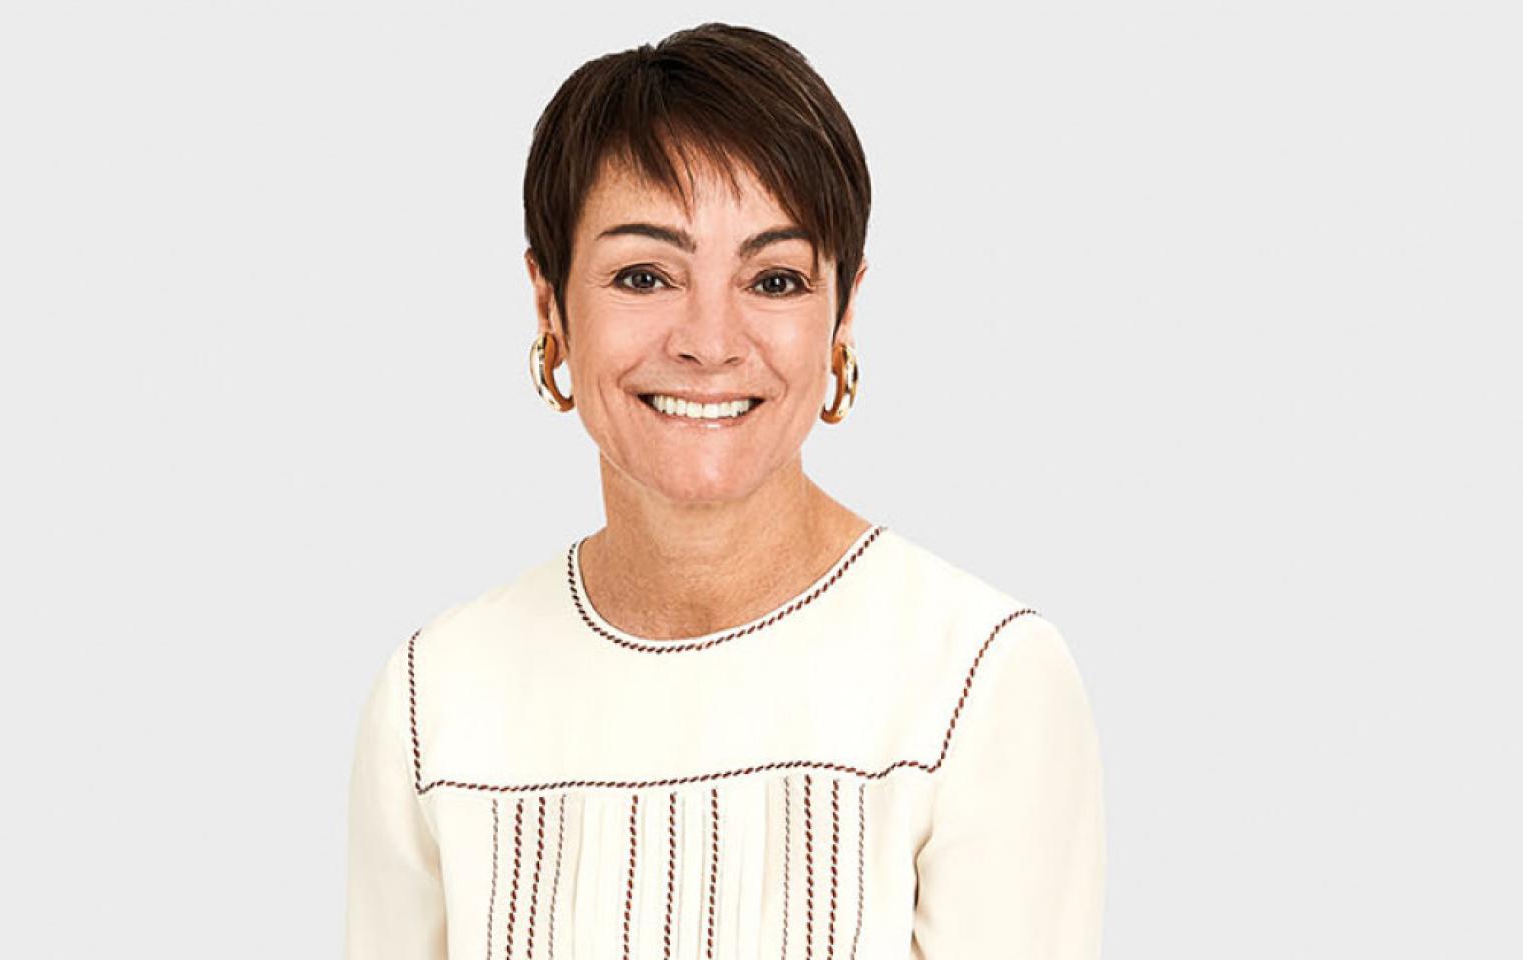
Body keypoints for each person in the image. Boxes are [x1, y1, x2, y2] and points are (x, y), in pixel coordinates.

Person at [344, 22, 1105, 960]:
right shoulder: (434, 700)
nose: (709, 341)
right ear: (550, 304)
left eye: (774, 280)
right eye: (644, 276)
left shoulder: (978, 680)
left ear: (844, 312)